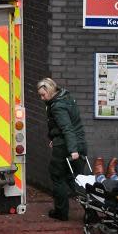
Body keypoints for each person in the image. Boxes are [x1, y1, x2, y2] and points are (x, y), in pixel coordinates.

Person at [39, 78, 88, 221]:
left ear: (50, 91)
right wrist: (55, 138)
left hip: (67, 146)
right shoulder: (67, 97)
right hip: (79, 143)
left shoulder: (57, 106)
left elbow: (67, 128)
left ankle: (61, 212)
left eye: (43, 95)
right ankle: (92, 212)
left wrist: (72, 150)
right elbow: (66, 127)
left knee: (57, 177)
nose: (42, 98)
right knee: (77, 180)